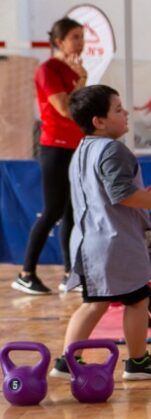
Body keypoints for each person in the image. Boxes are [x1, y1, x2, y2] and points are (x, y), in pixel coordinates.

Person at [54, 86, 151, 381]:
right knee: (138, 299)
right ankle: (137, 361)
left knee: (94, 301)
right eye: (118, 109)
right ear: (99, 121)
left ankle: (67, 360)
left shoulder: (81, 150)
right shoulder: (113, 149)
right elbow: (123, 194)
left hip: (89, 242)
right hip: (114, 241)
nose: (126, 113)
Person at [13, 18, 87, 295]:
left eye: (82, 37)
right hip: (54, 147)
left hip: (73, 146)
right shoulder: (49, 69)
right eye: (75, 37)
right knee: (53, 209)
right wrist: (81, 82)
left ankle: (70, 273)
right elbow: (65, 109)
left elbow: (79, 110)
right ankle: (26, 272)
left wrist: (81, 79)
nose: (80, 42)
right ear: (59, 41)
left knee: (71, 210)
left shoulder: (73, 70)